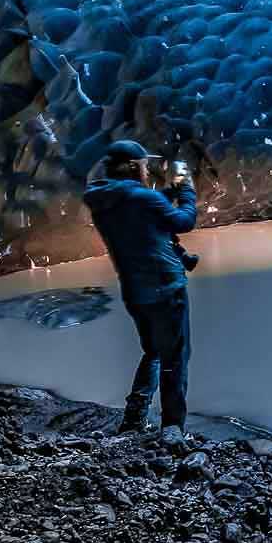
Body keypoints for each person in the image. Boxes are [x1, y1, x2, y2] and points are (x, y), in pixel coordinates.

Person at [83, 140, 199, 435]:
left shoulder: (101, 199)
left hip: (134, 291)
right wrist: (185, 189)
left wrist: (168, 193)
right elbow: (185, 221)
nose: (149, 170)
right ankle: (172, 428)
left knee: (153, 352)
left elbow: (142, 209)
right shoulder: (143, 199)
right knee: (175, 357)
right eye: (146, 166)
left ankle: (134, 419)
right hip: (166, 287)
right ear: (135, 167)